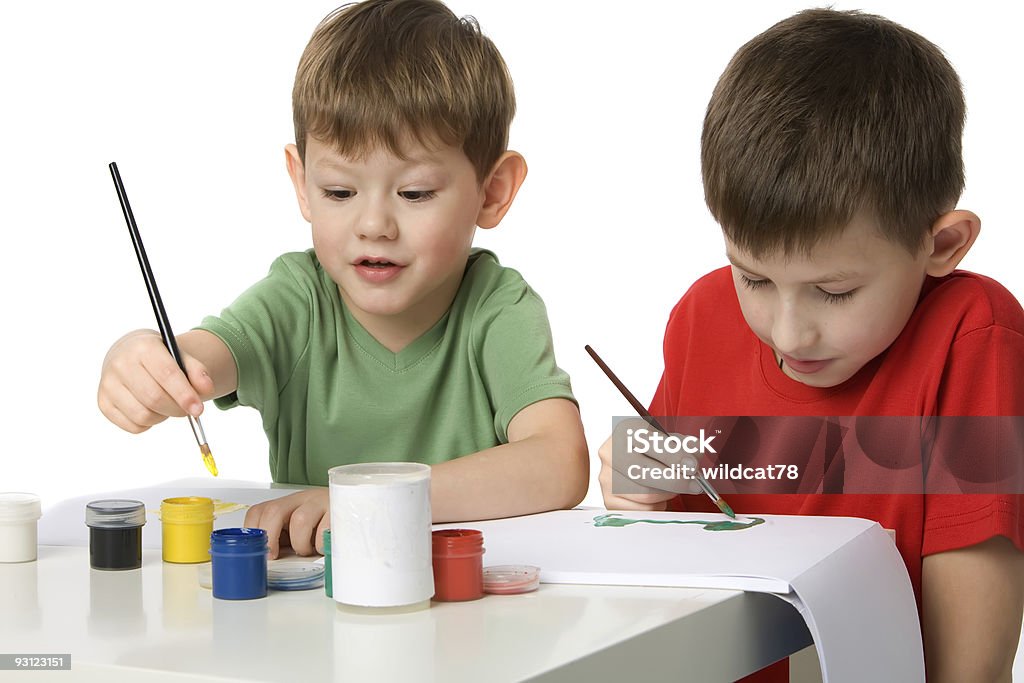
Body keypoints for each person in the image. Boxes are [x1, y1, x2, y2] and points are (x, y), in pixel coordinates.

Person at [598, 9, 1024, 682]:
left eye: (835, 291)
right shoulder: (702, 313)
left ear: (940, 245)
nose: (789, 332)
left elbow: (970, 665)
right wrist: (636, 488)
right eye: (755, 277)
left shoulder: (973, 332)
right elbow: (662, 560)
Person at [98, 0, 587, 560]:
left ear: (493, 191)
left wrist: (373, 499)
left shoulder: (497, 307)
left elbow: (559, 462)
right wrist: (149, 361)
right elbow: (201, 358)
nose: (374, 225)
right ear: (301, 184)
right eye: (339, 192)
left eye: (415, 193)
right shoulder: (298, 299)